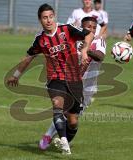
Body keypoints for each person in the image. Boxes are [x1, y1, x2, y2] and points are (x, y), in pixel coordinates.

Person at [7, 3, 94, 155]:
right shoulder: (40, 40)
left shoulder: (66, 29)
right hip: (55, 78)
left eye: (50, 17)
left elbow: (89, 34)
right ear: (40, 20)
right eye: (45, 18)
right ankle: (64, 142)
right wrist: (15, 76)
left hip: (74, 79)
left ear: (54, 17)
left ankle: (63, 139)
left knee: (73, 121)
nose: (48, 20)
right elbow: (28, 58)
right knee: (57, 105)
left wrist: (85, 51)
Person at [39, 16, 106, 151]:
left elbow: (100, 56)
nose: (92, 30)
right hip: (69, 81)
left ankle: (59, 139)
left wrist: (87, 50)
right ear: (82, 28)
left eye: (94, 27)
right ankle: (50, 137)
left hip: (87, 88)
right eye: (88, 27)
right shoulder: (73, 39)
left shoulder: (99, 41)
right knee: (62, 110)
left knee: (71, 118)